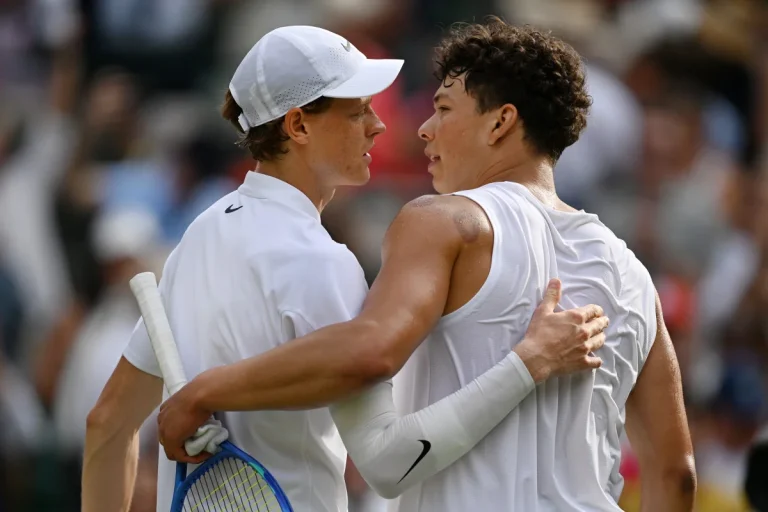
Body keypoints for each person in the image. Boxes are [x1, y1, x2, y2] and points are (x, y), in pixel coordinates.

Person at [157, 19, 697, 511]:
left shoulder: (442, 221)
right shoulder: (634, 277)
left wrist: (204, 391)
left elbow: (370, 352)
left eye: (443, 109)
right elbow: (677, 478)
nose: (421, 130)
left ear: (500, 123)